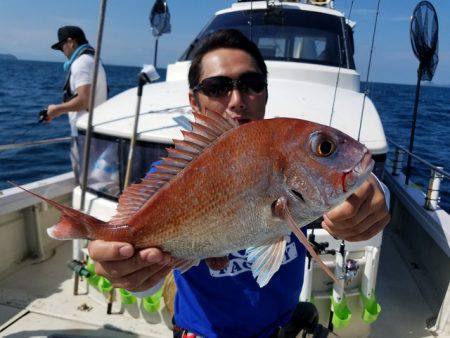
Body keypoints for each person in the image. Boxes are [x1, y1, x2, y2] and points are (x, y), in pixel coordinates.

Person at [88, 29, 390, 337]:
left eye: (251, 84)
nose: (236, 100)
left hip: (280, 328)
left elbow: (367, 192)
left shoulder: (287, 158)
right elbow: (140, 267)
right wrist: (127, 274)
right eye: (217, 87)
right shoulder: (170, 179)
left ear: (266, 91)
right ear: (194, 100)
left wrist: (377, 196)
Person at [46, 26, 108, 183]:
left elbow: (83, 100)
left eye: (61, 47)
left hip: (84, 136)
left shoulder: (80, 63)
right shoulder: (94, 60)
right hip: (97, 133)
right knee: (95, 182)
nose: (62, 51)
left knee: (84, 181)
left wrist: (56, 110)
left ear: (71, 42)